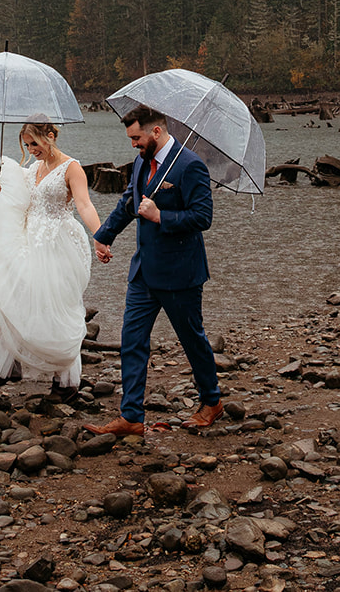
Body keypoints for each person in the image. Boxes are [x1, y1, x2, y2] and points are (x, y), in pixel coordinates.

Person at [85, 105, 223, 435]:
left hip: (181, 274)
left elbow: (203, 218)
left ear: (156, 132)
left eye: (137, 137)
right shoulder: (140, 163)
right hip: (143, 272)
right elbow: (129, 203)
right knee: (132, 341)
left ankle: (212, 401)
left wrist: (161, 216)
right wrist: (104, 236)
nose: (133, 143)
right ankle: (132, 416)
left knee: (192, 340)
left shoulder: (191, 166)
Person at [0, 119, 101, 389]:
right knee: (9, 299)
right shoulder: (34, 168)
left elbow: (84, 205)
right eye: (27, 145)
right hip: (27, 242)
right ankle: (4, 367)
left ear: (50, 136)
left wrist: (100, 236)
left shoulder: (72, 168)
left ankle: (67, 380)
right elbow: (16, 195)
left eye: (35, 143)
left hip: (57, 244)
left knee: (54, 306)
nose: (31, 149)